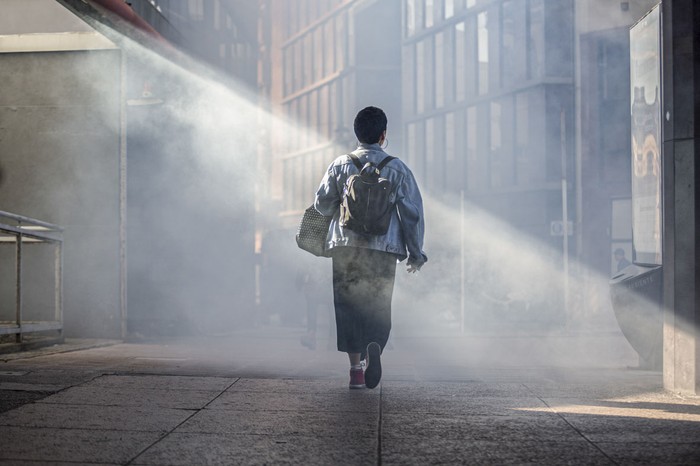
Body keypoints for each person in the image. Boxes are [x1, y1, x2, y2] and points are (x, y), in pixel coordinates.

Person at [314, 106, 428, 389]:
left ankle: (355, 370)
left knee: (347, 306)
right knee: (377, 304)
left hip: (345, 247)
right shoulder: (398, 168)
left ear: (357, 133)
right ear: (383, 135)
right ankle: (375, 343)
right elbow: (412, 215)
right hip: (383, 248)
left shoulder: (340, 164)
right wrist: (416, 253)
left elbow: (321, 203)